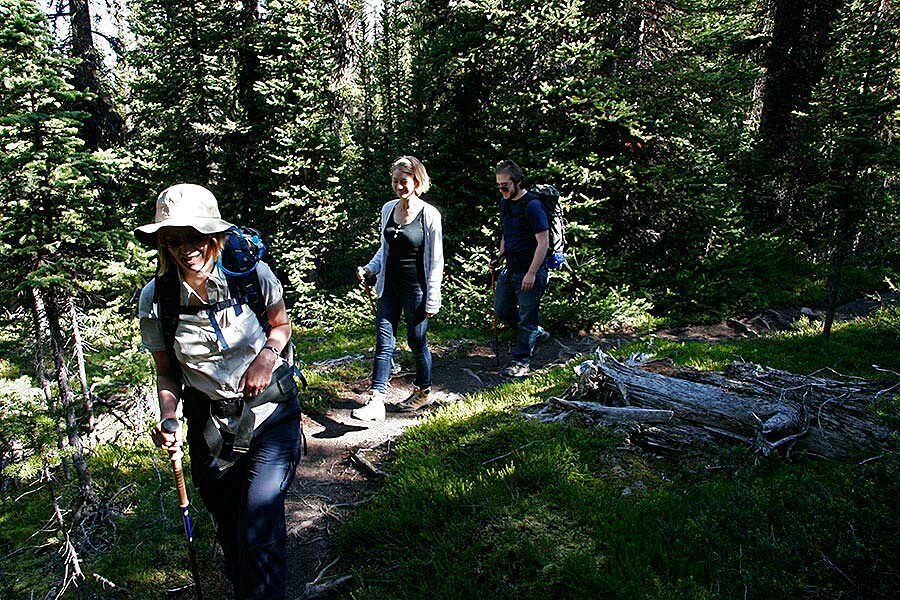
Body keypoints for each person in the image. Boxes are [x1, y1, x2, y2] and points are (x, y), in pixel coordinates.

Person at [136, 184, 301, 600]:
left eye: (194, 236)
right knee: (231, 535)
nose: (184, 248)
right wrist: (169, 417)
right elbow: (167, 374)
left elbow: (280, 326)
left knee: (258, 528)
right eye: (172, 239)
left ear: (214, 236)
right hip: (211, 430)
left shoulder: (251, 275)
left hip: (269, 418)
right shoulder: (158, 299)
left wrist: (265, 359)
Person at [353, 156, 444, 420]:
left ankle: (424, 391)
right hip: (389, 287)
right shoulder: (388, 209)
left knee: (417, 341)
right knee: (384, 342)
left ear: (417, 181)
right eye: (395, 181)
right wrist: (370, 269)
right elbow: (385, 250)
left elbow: (436, 260)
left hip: (417, 290)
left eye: (403, 181)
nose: (398, 186)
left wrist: (433, 300)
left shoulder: (429, 214)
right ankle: (376, 400)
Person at [492, 160, 551, 377]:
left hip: (531, 269)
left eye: (505, 185)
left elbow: (543, 242)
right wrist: (500, 257)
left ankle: (522, 362)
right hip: (511, 267)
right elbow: (506, 233)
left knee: (527, 316)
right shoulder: (505, 203)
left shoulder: (533, 206)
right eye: (499, 185)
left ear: (518, 182)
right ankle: (537, 333)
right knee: (502, 309)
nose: (501, 189)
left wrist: (532, 273)